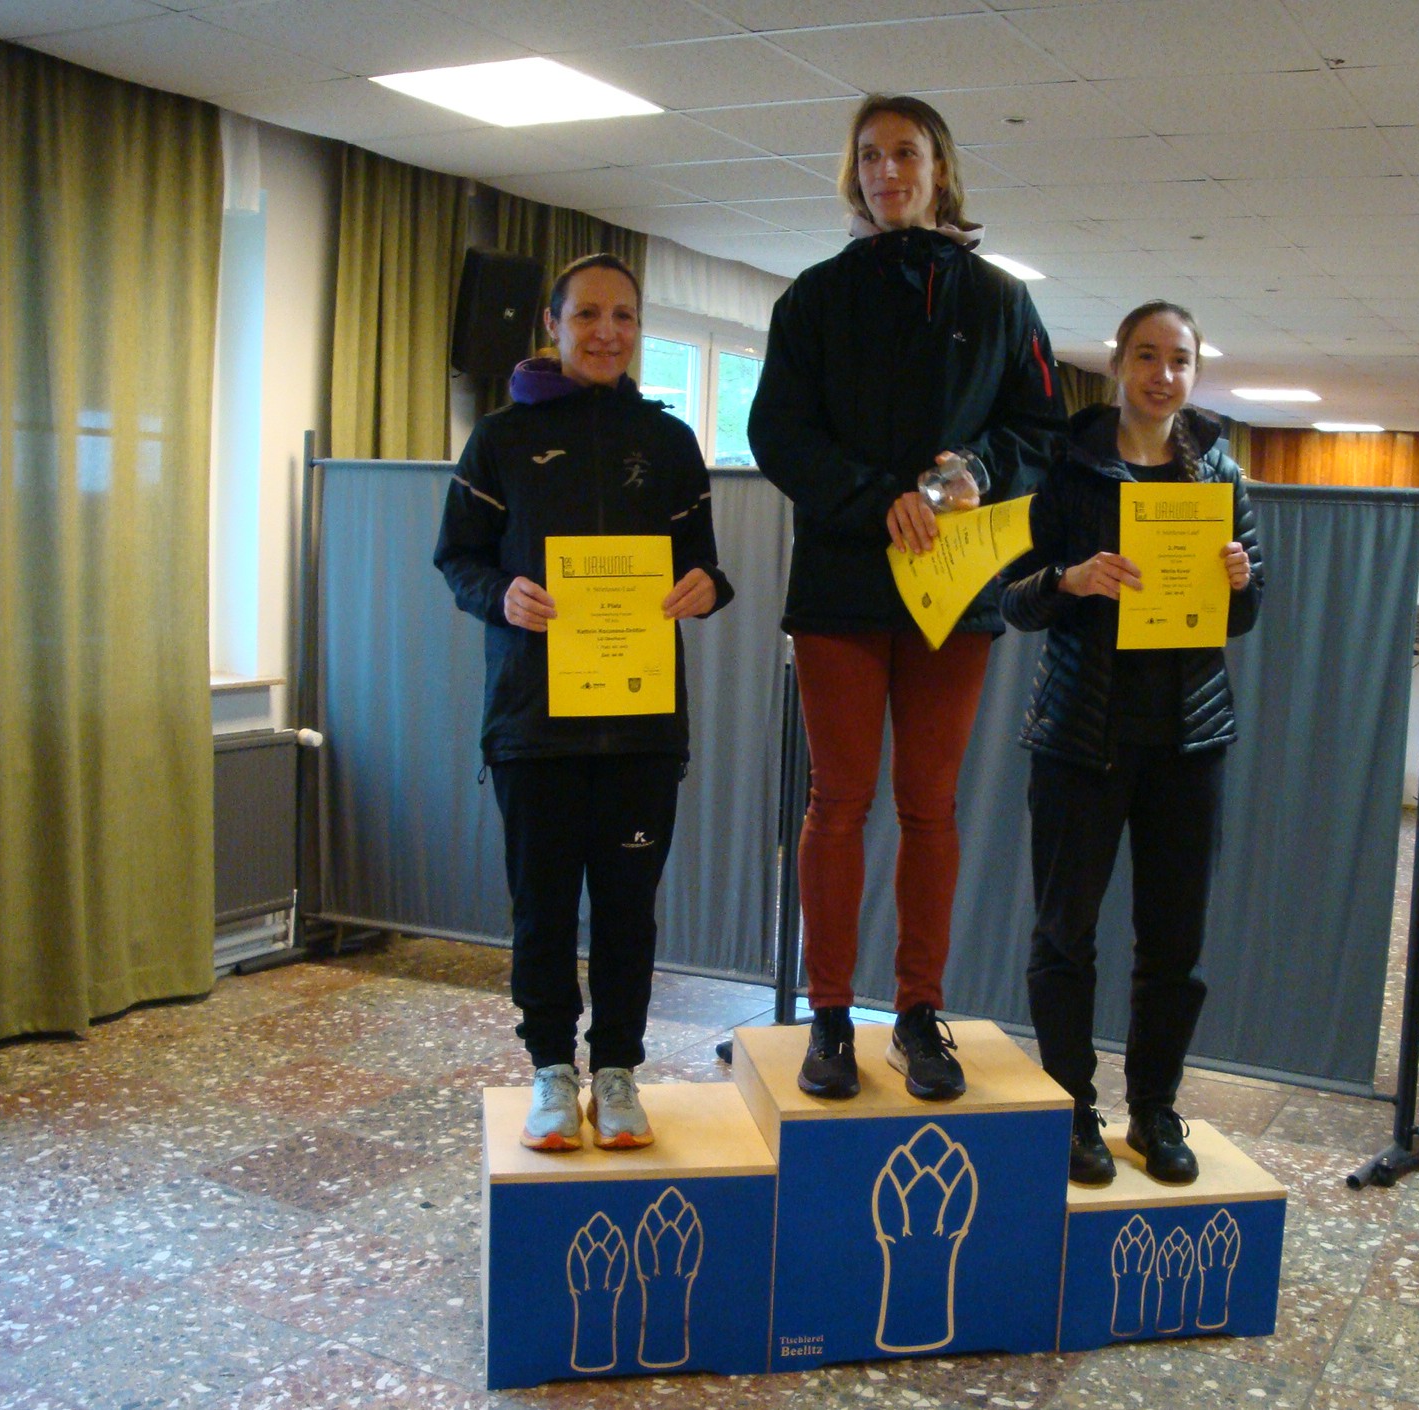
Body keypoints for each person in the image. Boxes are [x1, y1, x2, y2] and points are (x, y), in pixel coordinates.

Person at [749, 94, 1065, 1102]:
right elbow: (777, 432)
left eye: (906, 153)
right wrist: (871, 496)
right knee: (836, 802)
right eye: (870, 155)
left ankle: (919, 1015)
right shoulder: (812, 297)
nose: (887, 171)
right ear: (855, 173)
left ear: (940, 170)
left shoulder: (1001, 300)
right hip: (841, 585)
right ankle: (829, 1017)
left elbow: (1041, 430)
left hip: (952, 589)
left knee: (929, 806)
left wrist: (979, 470)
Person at [434, 253, 733, 1152]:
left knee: (629, 911)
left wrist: (706, 589)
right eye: (588, 315)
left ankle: (618, 1071)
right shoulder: (501, 438)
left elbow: (704, 563)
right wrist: (502, 595)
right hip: (534, 725)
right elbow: (458, 558)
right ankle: (550, 1071)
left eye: (624, 316)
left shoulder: (669, 442)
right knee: (543, 909)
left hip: (643, 727)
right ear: (554, 326)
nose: (608, 332)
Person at [999, 300, 1263, 1186]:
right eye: (1146, 356)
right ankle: (1071, 1108)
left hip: (1189, 739)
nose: (1162, 375)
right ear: (1118, 364)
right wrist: (1070, 580)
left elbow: (1245, 615)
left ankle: (1153, 1109)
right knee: (1064, 935)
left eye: (1179, 359)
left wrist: (1240, 580)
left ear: (1195, 372)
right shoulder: (1065, 464)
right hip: (1081, 735)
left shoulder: (1220, 470)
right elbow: (1012, 600)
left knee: (1174, 943)